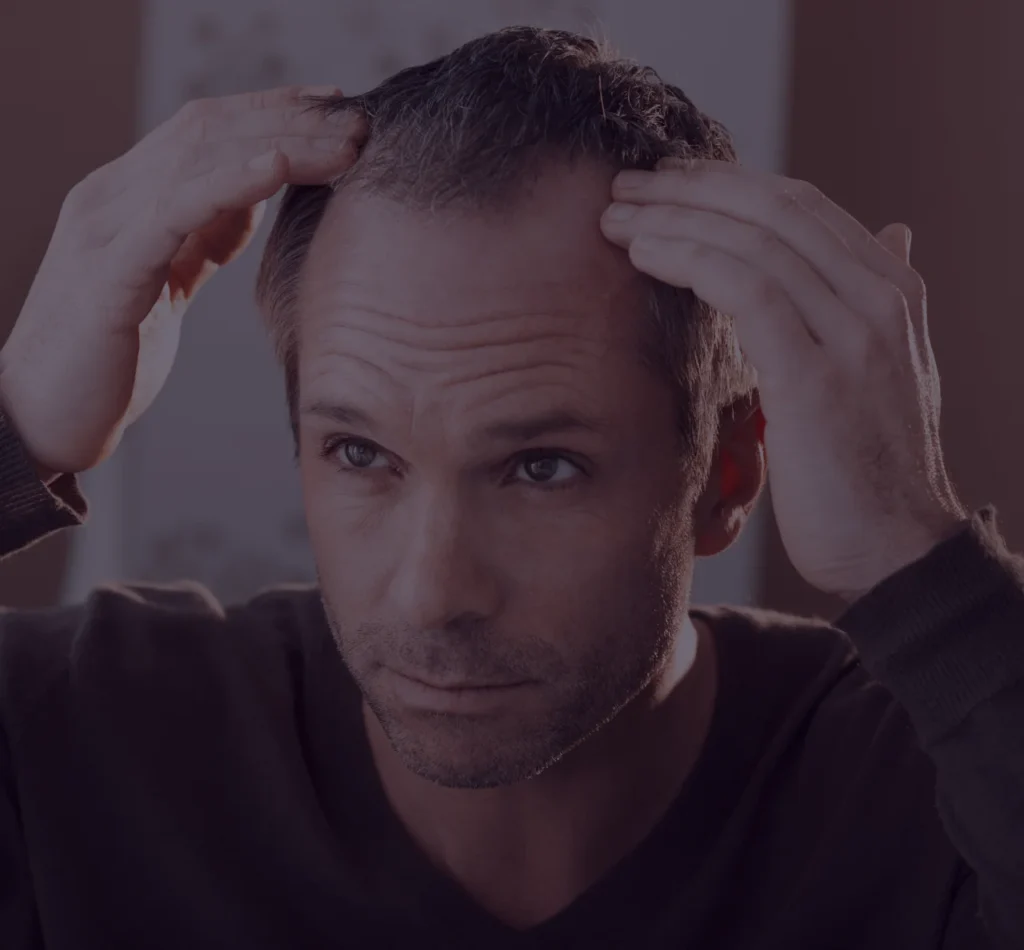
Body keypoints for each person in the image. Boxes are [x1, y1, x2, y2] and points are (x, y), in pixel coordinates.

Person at [0, 25, 1020, 950]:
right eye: (359, 453)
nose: (429, 594)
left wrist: (912, 552)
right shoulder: (82, 739)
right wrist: (18, 428)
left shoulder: (938, 785)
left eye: (541, 467)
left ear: (727, 472)